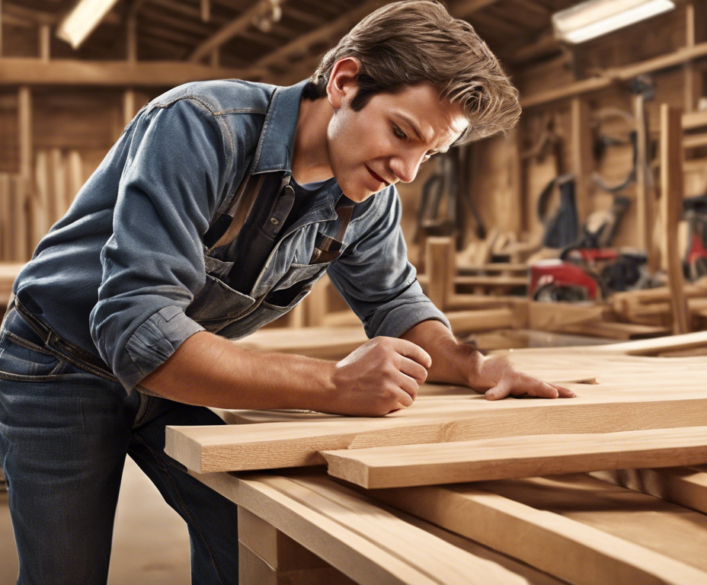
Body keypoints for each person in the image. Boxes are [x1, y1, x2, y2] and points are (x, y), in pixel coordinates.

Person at [0, 2, 573, 583]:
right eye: (402, 133)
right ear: (345, 81)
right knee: (63, 571)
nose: (407, 169)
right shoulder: (201, 127)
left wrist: (473, 365)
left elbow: (396, 305)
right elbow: (139, 330)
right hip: (58, 363)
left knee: (250, 541)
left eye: (428, 153)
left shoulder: (367, 199)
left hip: (184, 371)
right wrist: (333, 384)